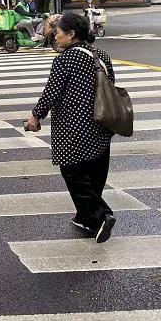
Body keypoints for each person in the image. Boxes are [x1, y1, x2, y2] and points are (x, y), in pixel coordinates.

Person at [25, 13, 116, 243]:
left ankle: (101, 214)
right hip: (102, 124)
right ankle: (85, 217)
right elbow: (111, 85)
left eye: (58, 33)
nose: (56, 37)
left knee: (73, 173)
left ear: (72, 34)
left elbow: (52, 93)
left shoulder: (66, 59)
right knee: (95, 174)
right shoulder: (101, 55)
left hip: (73, 126)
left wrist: (36, 117)